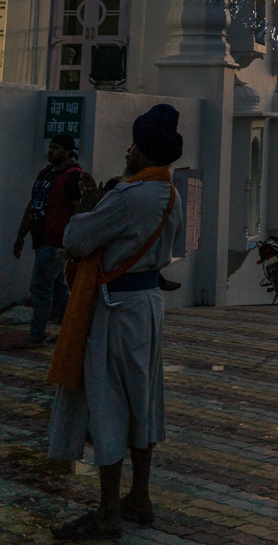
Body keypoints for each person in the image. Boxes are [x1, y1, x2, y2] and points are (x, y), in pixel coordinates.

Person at [47, 105, 185, 542]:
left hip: (114, 305)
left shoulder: (128, 197)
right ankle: (139, 497)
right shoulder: (170, 194)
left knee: (108, 402)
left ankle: (108, 510)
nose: (127, 151)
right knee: (143, 400)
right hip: (146, 305)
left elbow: (76, 239)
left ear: (142, 152)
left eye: (132, 144)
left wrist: (88, 207)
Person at [12, 134, 85, 350]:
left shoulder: (73, 176)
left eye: (56, 148)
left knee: (41, 288)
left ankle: (37, 335)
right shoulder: (45, 173)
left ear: (67, 151)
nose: (51, 151)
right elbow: (32, 205)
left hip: (55, 242)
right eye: (50, 147)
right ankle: (68, 332)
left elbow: (78, 209)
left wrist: (76, 240)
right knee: (59, 288)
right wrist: (21, 235)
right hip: (42, 240)